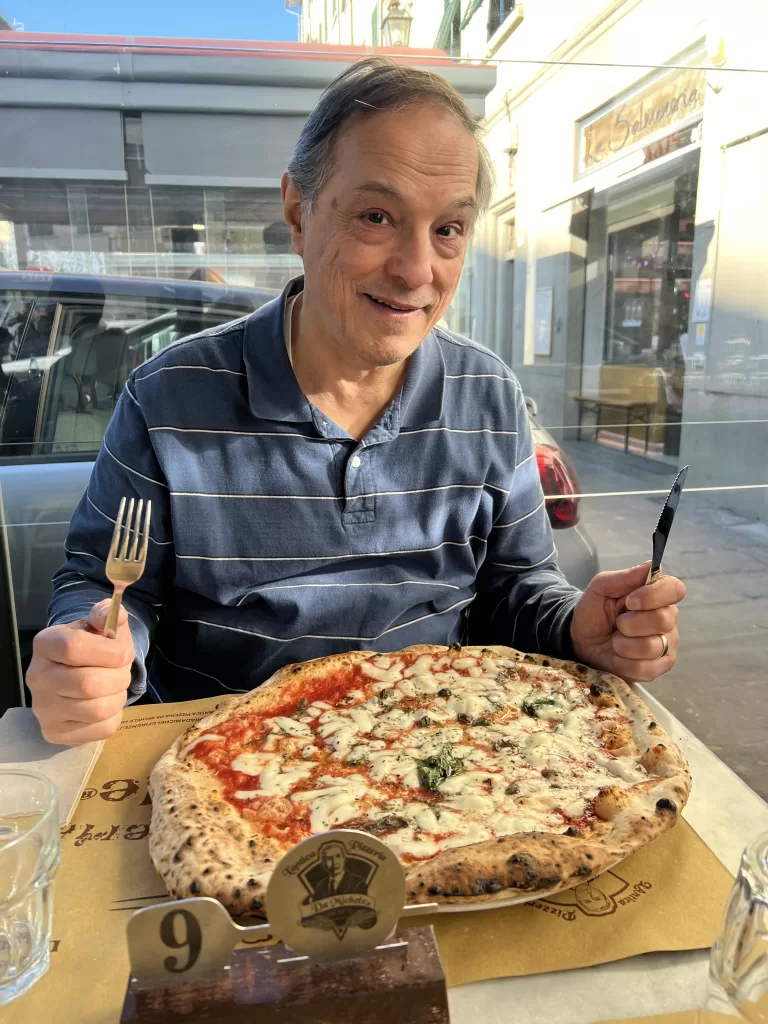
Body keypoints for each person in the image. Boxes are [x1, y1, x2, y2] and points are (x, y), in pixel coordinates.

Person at [27, 58, 685, 746]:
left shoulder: (487, 394)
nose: (415, 270)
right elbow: (105, 587)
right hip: (230, 763)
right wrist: (91, 653)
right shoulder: (169, 396)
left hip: (442, 762)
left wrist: (577, 624)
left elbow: (517, 588)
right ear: (297, 211)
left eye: (449, 230)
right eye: (377, 216)